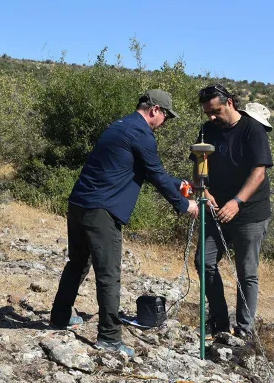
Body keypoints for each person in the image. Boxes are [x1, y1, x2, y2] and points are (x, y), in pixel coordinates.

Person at [50, 89, 199, 357]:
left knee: (78, 264)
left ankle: (59, 317)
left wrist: (181, 185)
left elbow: (141, 169)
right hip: (102, 211)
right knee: (109, 274)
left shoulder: (119, 125)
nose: (164, 122)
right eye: (165, 116)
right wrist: (184, 205)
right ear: (155, 110)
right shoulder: (141, 134)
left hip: (80, 204)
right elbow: (154, 174)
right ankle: (109, 337)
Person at [194, 83, 273, 339]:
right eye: (208, 113)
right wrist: (203, 190)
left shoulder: (253, 129)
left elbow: (259, 171)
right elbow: (199, 164)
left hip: (249, 213)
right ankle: (218, 322)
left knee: (246, 272)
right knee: (203, 262)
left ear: (230, 102)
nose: (212, 117)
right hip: (216, 209)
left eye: (216, 111)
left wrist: (237, 201)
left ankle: (244, 331)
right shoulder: (207, 130)